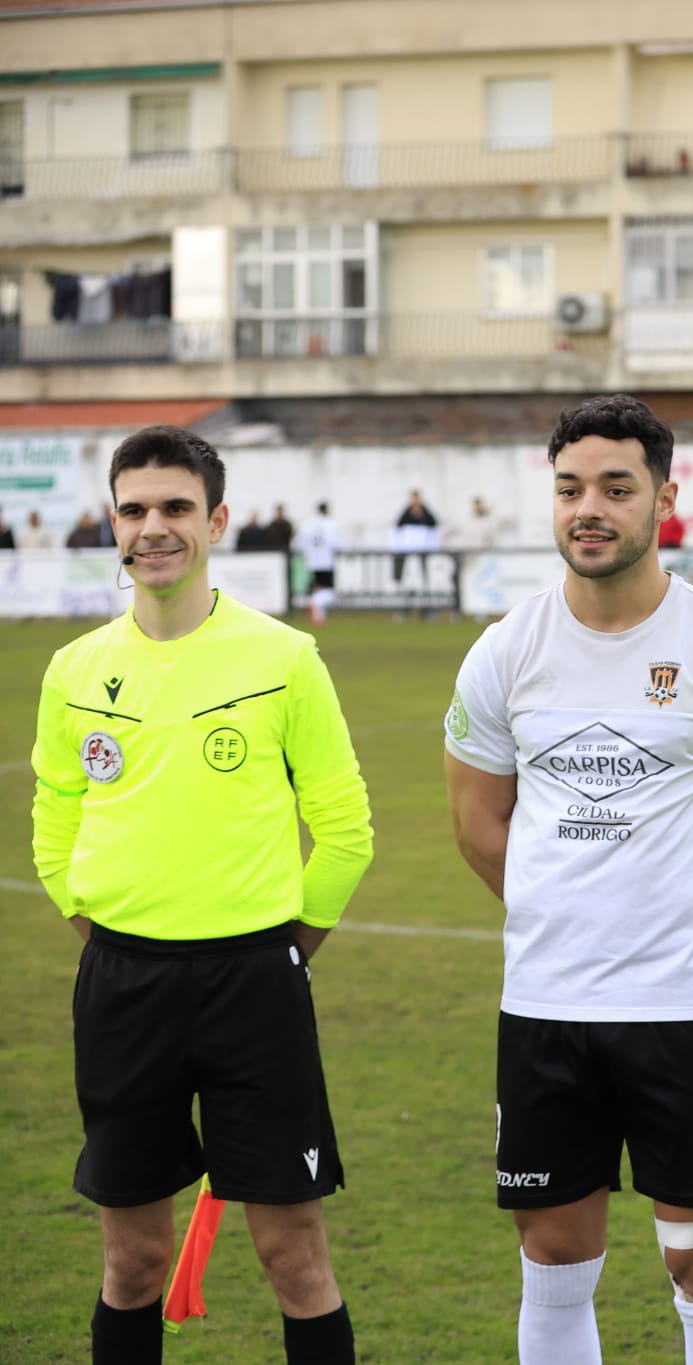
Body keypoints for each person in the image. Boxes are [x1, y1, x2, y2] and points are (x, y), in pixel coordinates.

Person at [444, 394, 693, 1365]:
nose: (589, 509)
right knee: (551, 1255)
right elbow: (480, 824)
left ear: (664, 497)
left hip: (681, 1009)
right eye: (570, 488)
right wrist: (564, 914)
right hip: (545, 1005)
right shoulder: (504, 651)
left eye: (616, 488)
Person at [30, 425, 373, 1365]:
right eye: (134, 509)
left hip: (255, 984)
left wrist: (286, 947)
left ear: (217, 522)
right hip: (123, 984)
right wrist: (91, 919)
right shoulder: (73, 668)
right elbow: (54, 811)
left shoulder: (284, 657)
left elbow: (345, 825)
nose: (154, 528)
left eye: (176, 507)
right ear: (113, 523)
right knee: (133, 1259)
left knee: (293, 1253)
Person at [298, 501, 342, 627]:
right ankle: (314, 603)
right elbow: (334, 541)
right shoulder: (329, 523)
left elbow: (300, 541)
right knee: (329, 592)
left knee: (319, 589)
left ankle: (319, 619)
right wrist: (345, 550)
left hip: (312, 561)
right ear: (327, 510)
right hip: (326, 562)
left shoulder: (309, 523)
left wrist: (305, 554)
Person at [393, 490, 438, 588]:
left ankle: (426, 582)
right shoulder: (406, 512)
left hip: (423, 545)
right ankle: (397, 581)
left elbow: (433, 524)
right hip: (408, 545)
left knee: (425, 560)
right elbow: (399, 526)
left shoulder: (426, 512)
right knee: (399, 557)